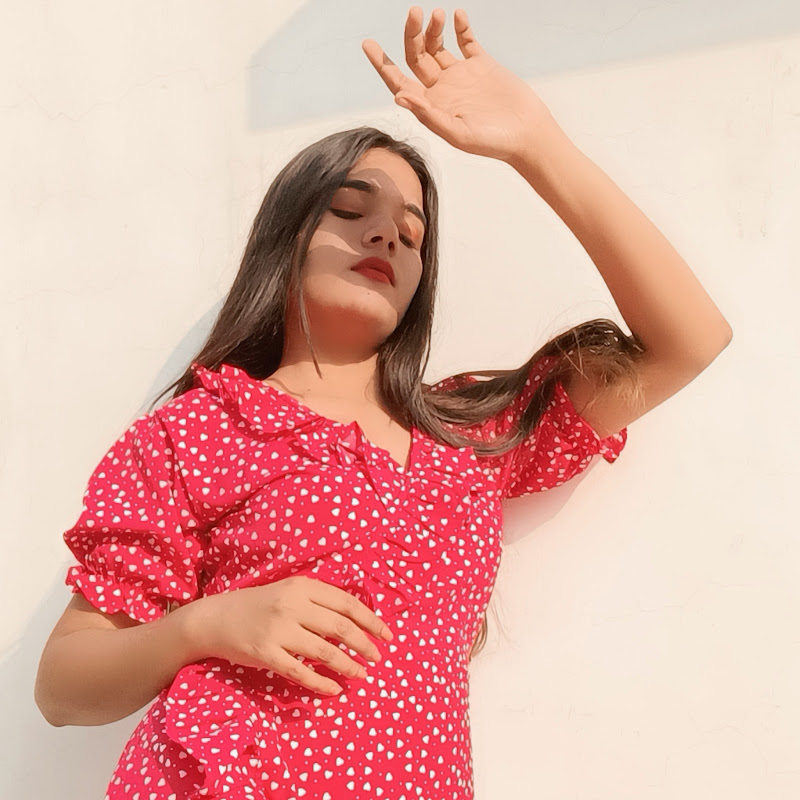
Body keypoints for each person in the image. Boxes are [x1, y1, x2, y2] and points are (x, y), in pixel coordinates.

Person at [35, 7, 732, 800]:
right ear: (286, 237)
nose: (388, 236)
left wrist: (536, 142)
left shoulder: (467, 435)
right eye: (348, 209)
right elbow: (62, 686)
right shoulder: (196, 431)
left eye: (412, 232)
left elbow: (689, 340)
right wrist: (208, 624)